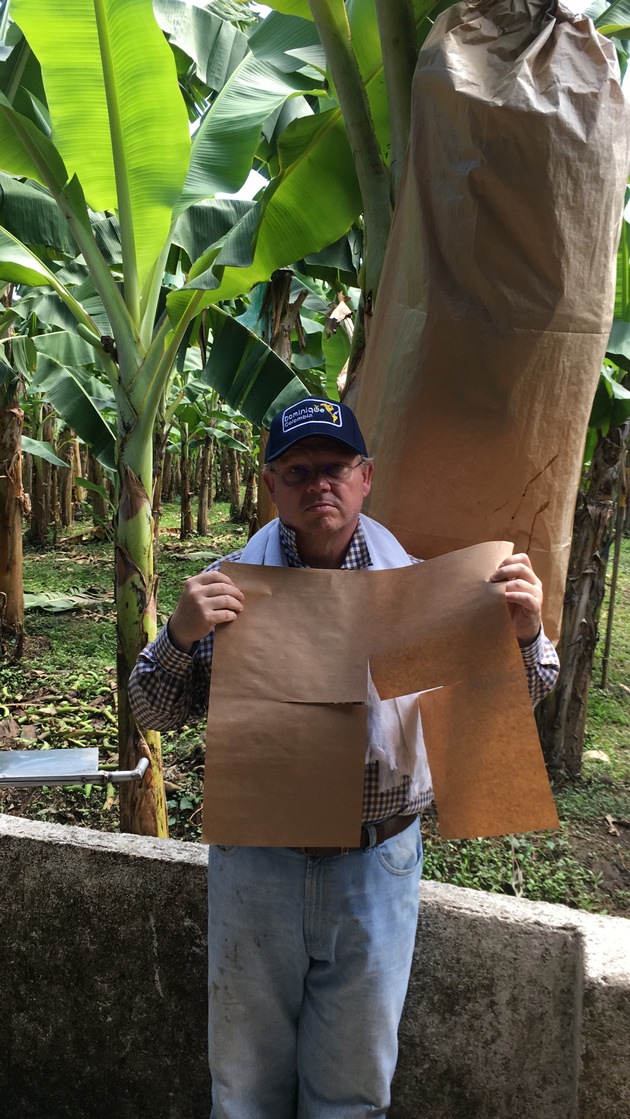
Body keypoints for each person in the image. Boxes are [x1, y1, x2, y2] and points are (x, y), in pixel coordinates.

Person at [129, 396, 560, 1119]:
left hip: (376, 865)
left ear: (366, 478)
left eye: (335, 467)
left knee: (354, 1096)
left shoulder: (423, 588)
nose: (317, 483)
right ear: (271, 486)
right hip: (258, 861)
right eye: (298, 471)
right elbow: (150, 710)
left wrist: (524, 636)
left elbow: (516, 702)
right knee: (242, 1092)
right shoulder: (229, 591)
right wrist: (177, 634)